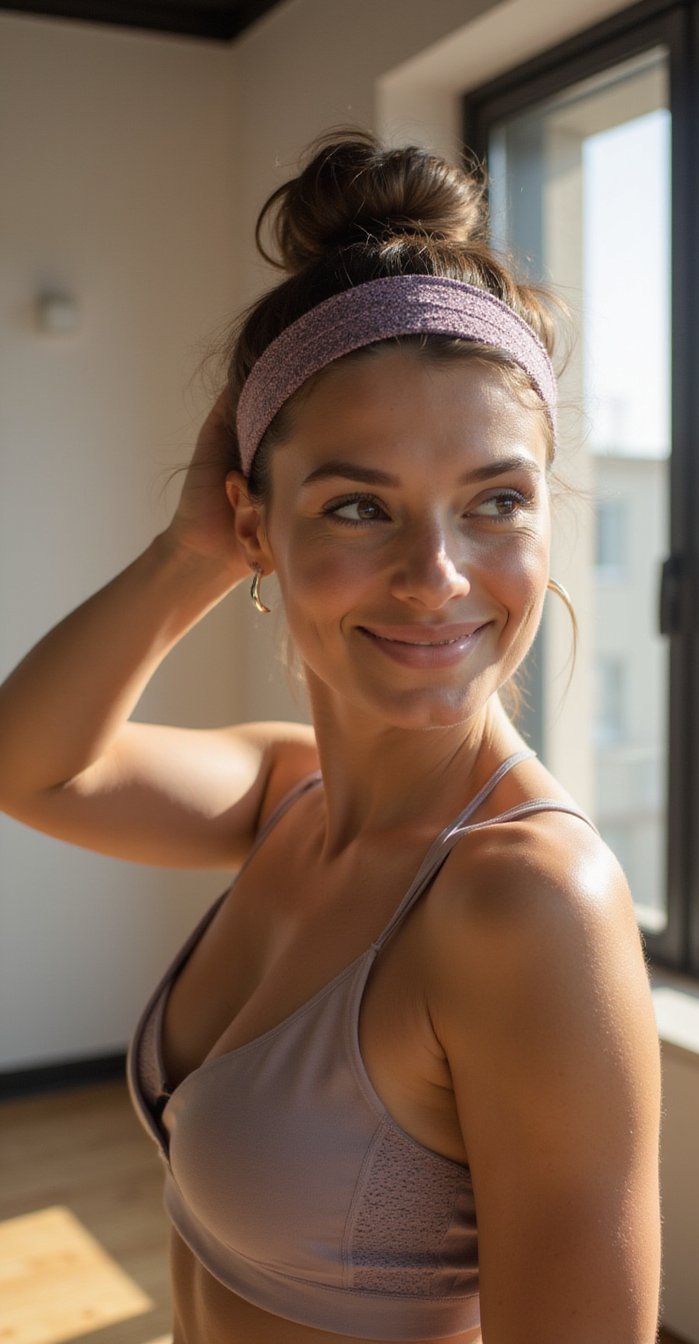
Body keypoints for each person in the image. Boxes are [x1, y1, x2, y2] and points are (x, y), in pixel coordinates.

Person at [0, 132, 661, 1344]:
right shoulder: (288, 793)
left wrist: (240, 533)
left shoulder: (527, 906)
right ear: (257, 524)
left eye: (496, 501)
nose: (437, 576)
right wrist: (190, 547)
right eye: (358, 504)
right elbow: (32, 764)